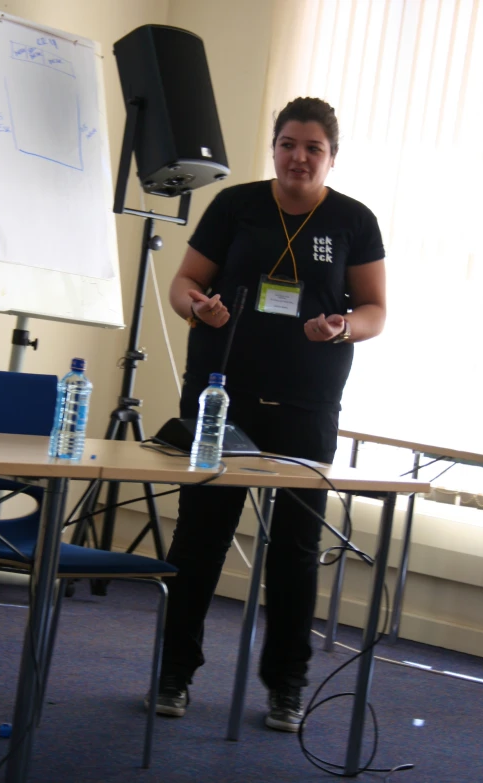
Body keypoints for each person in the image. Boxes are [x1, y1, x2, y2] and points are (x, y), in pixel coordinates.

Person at [149, 97, 386, 732]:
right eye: (288, 144)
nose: (298, 157)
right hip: (222, 397)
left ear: (332, 156)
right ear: (274, 147)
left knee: (295, 551)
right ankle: (174, 674)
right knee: (200, 538)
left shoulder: (355, 220)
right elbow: (183, 284)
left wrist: (342, 328)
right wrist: (196, 308)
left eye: (312, 147)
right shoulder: (235, 206)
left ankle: (286, 684)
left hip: (306, 407)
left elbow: (374, 311)